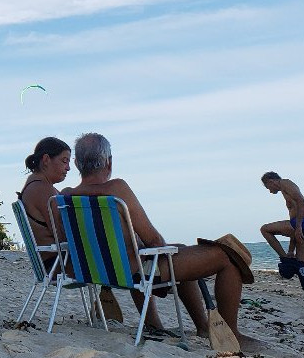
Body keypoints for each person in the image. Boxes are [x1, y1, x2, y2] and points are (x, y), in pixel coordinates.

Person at [62, 133, 260, 347]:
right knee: (225, 257)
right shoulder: (116, 189)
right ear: (109, 161)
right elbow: (154, 240)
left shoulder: (66, 196)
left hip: (101, 272)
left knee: (183, 250)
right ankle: (232, 334)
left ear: (76, 163)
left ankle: (199, 326)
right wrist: (160, 247)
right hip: (136, 273)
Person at [260, 172, 304, 308]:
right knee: (303, 265)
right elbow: (294, 222)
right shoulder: (285, 192)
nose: (269, 191)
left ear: (272, 181)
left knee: (265, 229)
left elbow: (301, 202)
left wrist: (298, 228)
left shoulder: (285, 183)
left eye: (268, 187)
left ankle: (285, 258)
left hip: (302, 224)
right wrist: (291, 249)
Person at [17, 136, 71, 262]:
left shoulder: (34, 185)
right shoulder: (43, 190)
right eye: (64, 161)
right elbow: (63, 235)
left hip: (54, 261)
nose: (68, 168)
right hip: (59, 264)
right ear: (46, 159)